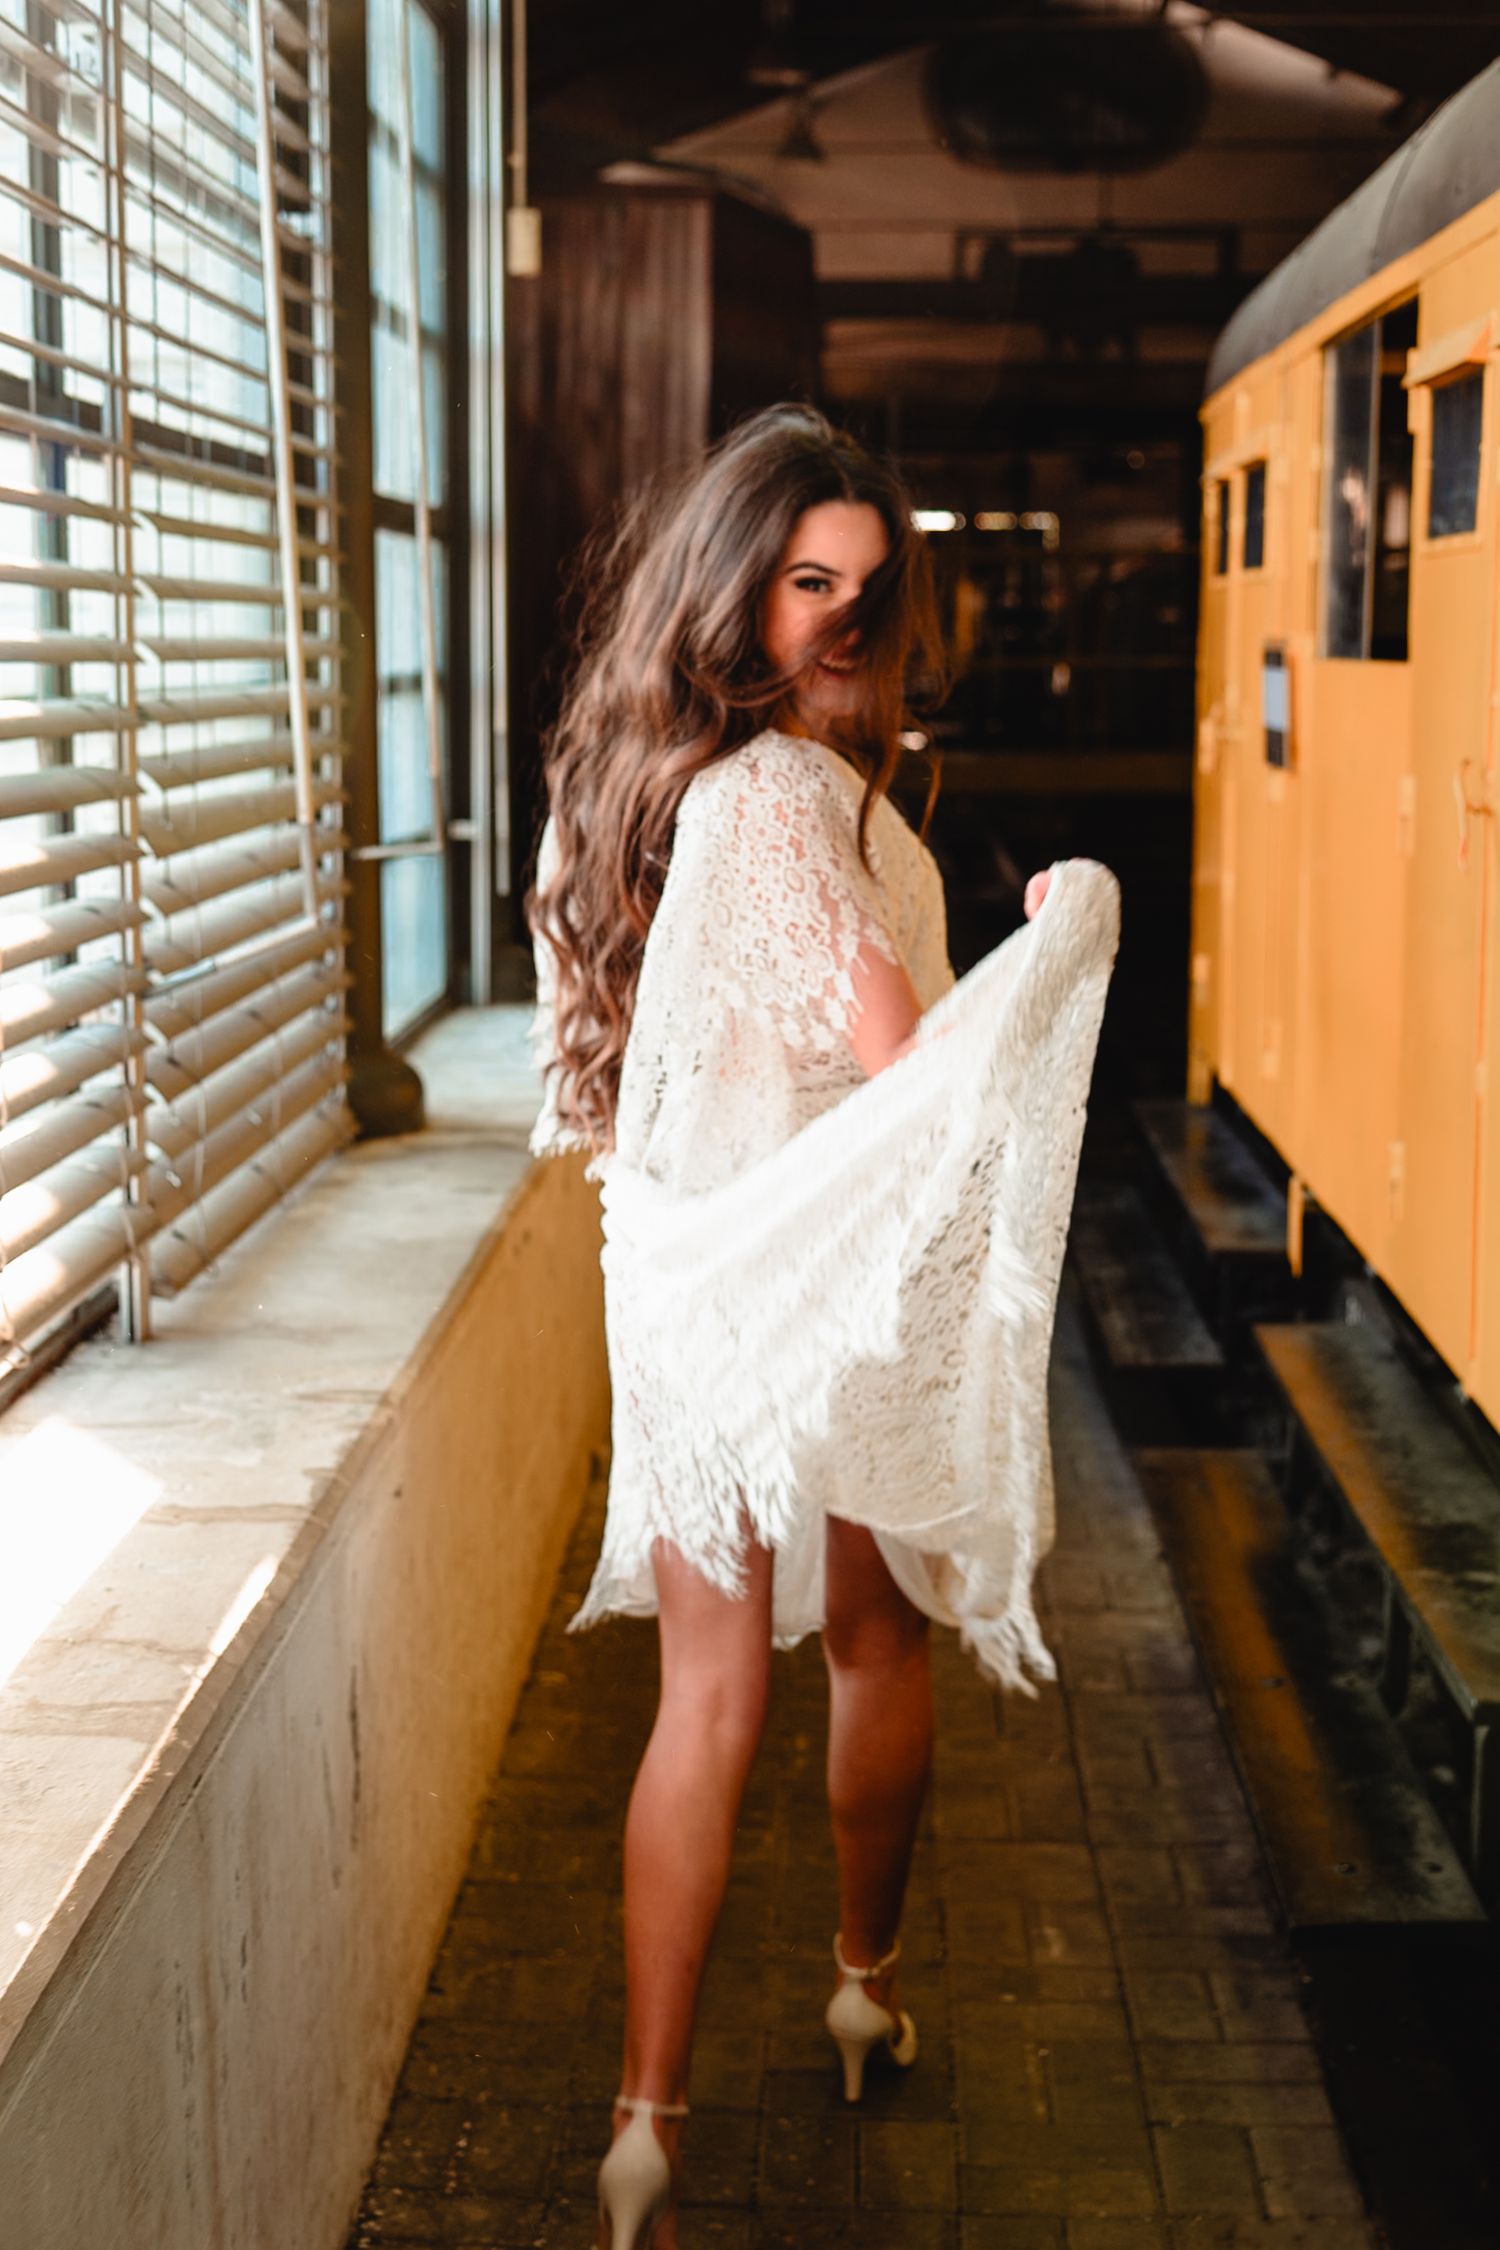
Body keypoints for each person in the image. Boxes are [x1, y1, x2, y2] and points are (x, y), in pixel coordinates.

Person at [526, 405, 1117, 2249]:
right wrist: (1060, 935)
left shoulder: (618, 788)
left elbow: (612, 1096)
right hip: (829, 1270)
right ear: (734, 585)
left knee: (708, 1696)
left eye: (869, 591)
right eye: (807, 585)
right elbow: (906, 1062)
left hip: (691, 1282)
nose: (843, 625)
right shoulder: (780, 796)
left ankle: (647, 2127)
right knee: (872, 1643)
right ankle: (862, 1982)